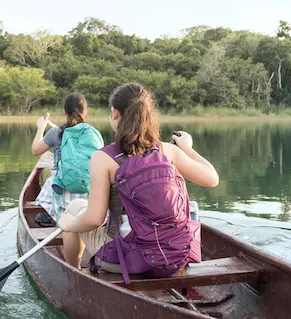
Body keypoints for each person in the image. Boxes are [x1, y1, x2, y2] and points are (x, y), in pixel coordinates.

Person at [57, 82, 219, 277]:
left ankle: (74, 275)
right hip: (176, 255)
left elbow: (94, 219)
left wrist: (68, 224)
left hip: (126, 259)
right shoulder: (167, 151)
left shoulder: (103, 159)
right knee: (78, 209)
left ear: (114, 113)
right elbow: (212, 178)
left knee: (74, 210)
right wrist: (187, 147)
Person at [30, 93, 104, 228]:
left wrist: (41, 127)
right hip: (87, 190)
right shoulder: (93, 133)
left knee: (50, 179)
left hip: (62, 190)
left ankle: (53, 216)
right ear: (85, 112)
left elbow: (35, 150)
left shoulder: (56, 132)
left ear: (65, 112)